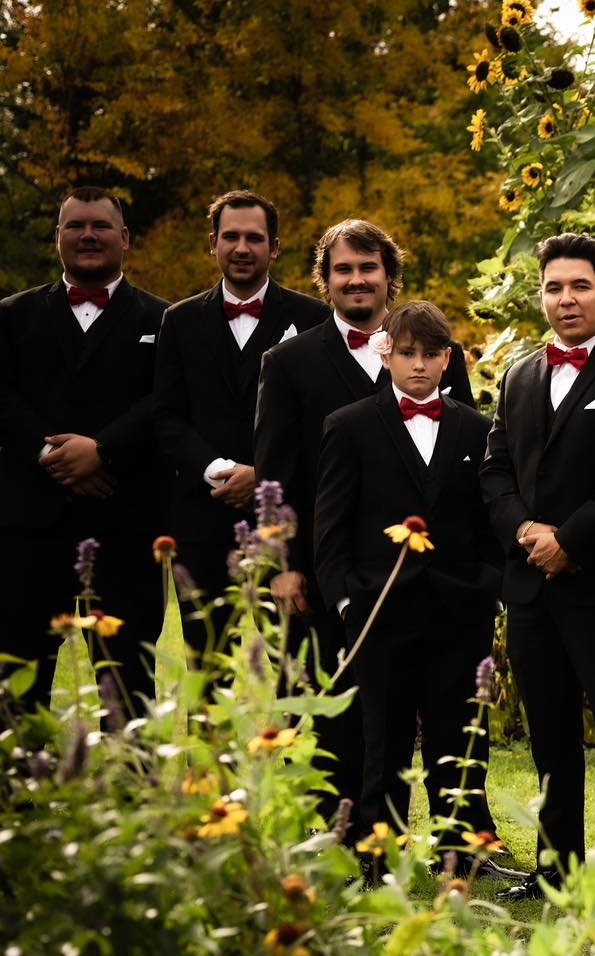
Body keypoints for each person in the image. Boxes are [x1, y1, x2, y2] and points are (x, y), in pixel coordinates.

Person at [254, 218, 473, 829]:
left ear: (389, 276)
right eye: (343, 270)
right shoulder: (290, 362)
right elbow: (276, 478)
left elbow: (459, 459)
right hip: (332, 570)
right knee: (341, 707)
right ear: (324, 281)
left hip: (430, 576)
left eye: (368, 268)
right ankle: (345, 829)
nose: (356, 280)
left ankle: (455, 831)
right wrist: (285, 568)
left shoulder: (432, 348)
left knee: (438, 710)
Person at [481, 233, 595, 900]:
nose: (566, 298)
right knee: (550, 739)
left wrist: (570, 539)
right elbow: (495, 471)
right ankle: (555, 868)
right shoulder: (520, 375)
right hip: (530, 589)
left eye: (580, 285)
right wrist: (525, 529)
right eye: (554, 287)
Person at [314, 302, 500, 858]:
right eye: (407, 353)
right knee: (382, 739)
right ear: (386, 353)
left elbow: (487, 521)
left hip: (457, 611)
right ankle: (376, 853)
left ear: (447, 359)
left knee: (461, 735)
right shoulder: (348, 425)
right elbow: (332, 527)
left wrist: (485, 588)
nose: (418, 365)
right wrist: (349, 601)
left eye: (430, 354)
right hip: (379, 612)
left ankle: (462, 852)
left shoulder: (477, 428)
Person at [0, 187, 168, 709]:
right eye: (75, 226)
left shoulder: (165, 320)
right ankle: (19, 790)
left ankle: (127, 792)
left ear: (125, 238)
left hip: (126, 524)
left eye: (100, 225)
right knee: (17, 682)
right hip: (30, 529)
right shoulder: (10, 315)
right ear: (57, 237)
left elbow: (165, 402)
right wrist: (48, 455)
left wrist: (103, 449)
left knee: (128, 687)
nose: (88, 235)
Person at [152, 189, 326, 610]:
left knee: (294, 666)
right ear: (213, 244)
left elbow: (319, 420)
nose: (242, 248)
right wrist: (219, 469)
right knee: (206, 661)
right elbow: (166, 416)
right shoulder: (179, 319)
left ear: (275, 248)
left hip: (288, 528)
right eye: (230, 237)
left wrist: (261, 475)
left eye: (255, 238)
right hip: (203, 520)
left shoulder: (314, 318)